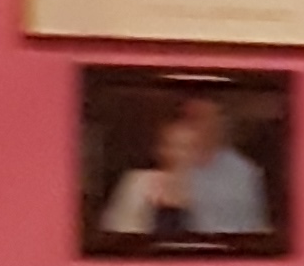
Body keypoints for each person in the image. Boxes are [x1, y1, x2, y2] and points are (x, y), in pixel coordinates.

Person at [100, 91, 269, 241]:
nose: (179, 154)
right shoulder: (138, 182)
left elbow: (254, 229)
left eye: (186, 148)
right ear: (161, 149)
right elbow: (116, 232)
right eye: (172, 146)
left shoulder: (239, 173)